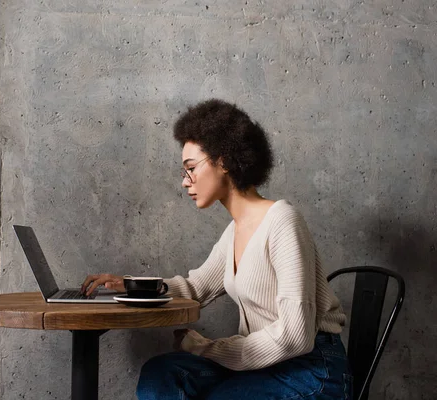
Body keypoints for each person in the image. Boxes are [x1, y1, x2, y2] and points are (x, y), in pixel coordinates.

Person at [81, 99, 353, 399]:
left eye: (191, 168)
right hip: (261, 364)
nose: (186, 182)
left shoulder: (282, 221)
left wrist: (206, 348)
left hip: (312, 370)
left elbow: (296, 337)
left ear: (223, 162)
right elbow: (194, 288)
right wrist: (129, 285)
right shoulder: (235, 229)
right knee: (160, 374)